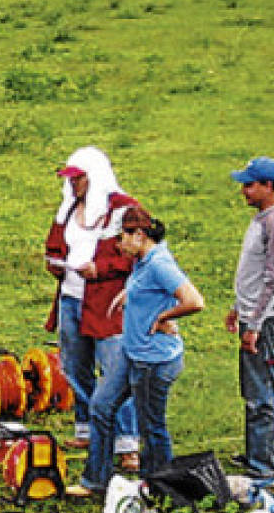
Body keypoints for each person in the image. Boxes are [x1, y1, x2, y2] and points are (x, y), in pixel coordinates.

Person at [70, 207, 204, 495]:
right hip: (132, 354)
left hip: (153, 360)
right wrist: (127, 294)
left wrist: (163, 318)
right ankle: (96, 480)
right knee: (101, 406)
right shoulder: (143, 260)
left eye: (122, 238)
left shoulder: (159, 264)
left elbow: (194, 301)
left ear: (139, 235)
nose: (118, 245)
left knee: (151, 427)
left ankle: (159, 488)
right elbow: (148, 287)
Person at [43, 147, 141, 467]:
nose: (74, 185)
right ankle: (87, 428)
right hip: (72, 296)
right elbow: (55, 244)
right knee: (74, 364)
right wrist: (55, 262)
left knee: (115, 370)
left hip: (108, 302)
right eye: (71, 180)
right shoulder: (68, 209)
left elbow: (139, 251)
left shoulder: (124, 211)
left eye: (79, 178)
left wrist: (101, 270)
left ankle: (127, 442)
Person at [226, 156, 274, 488]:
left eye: (249, 184)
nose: (243, 191)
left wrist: (254, 324)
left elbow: (273, 278)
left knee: (263, 393)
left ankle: (267, 468)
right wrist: (238, 307)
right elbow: (254, 274)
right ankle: (258, 454)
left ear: (268, 186)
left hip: (267, 321)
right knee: (254, 389)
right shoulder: (265, 217)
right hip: (256, 315)